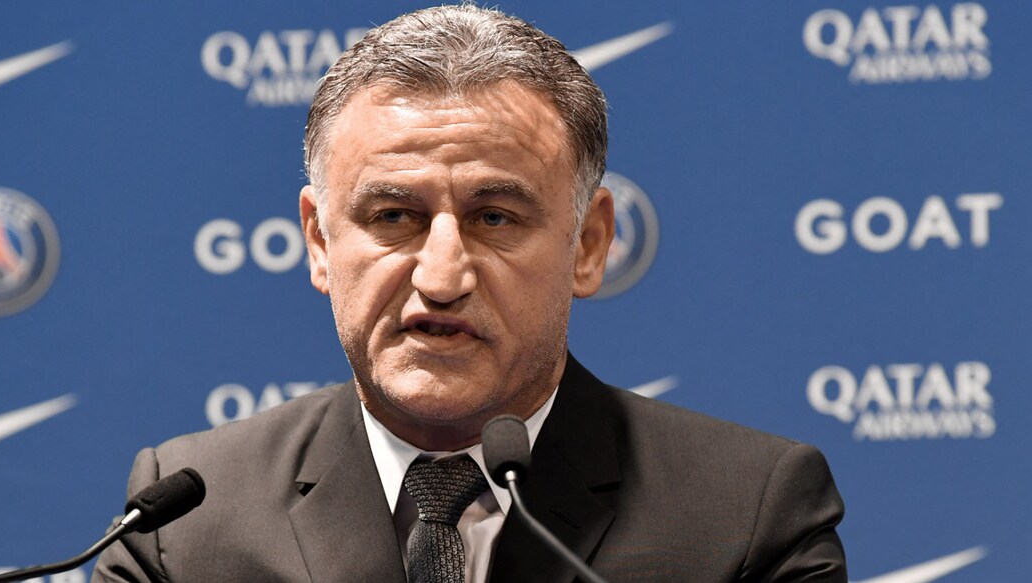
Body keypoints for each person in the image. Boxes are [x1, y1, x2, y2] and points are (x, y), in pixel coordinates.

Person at [93, 5, 846, 582]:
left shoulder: (747, 512)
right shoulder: (184, 523)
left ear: (587, 244)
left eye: (493, 217)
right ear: (320, 241)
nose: (441, 276)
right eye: (394, 217)